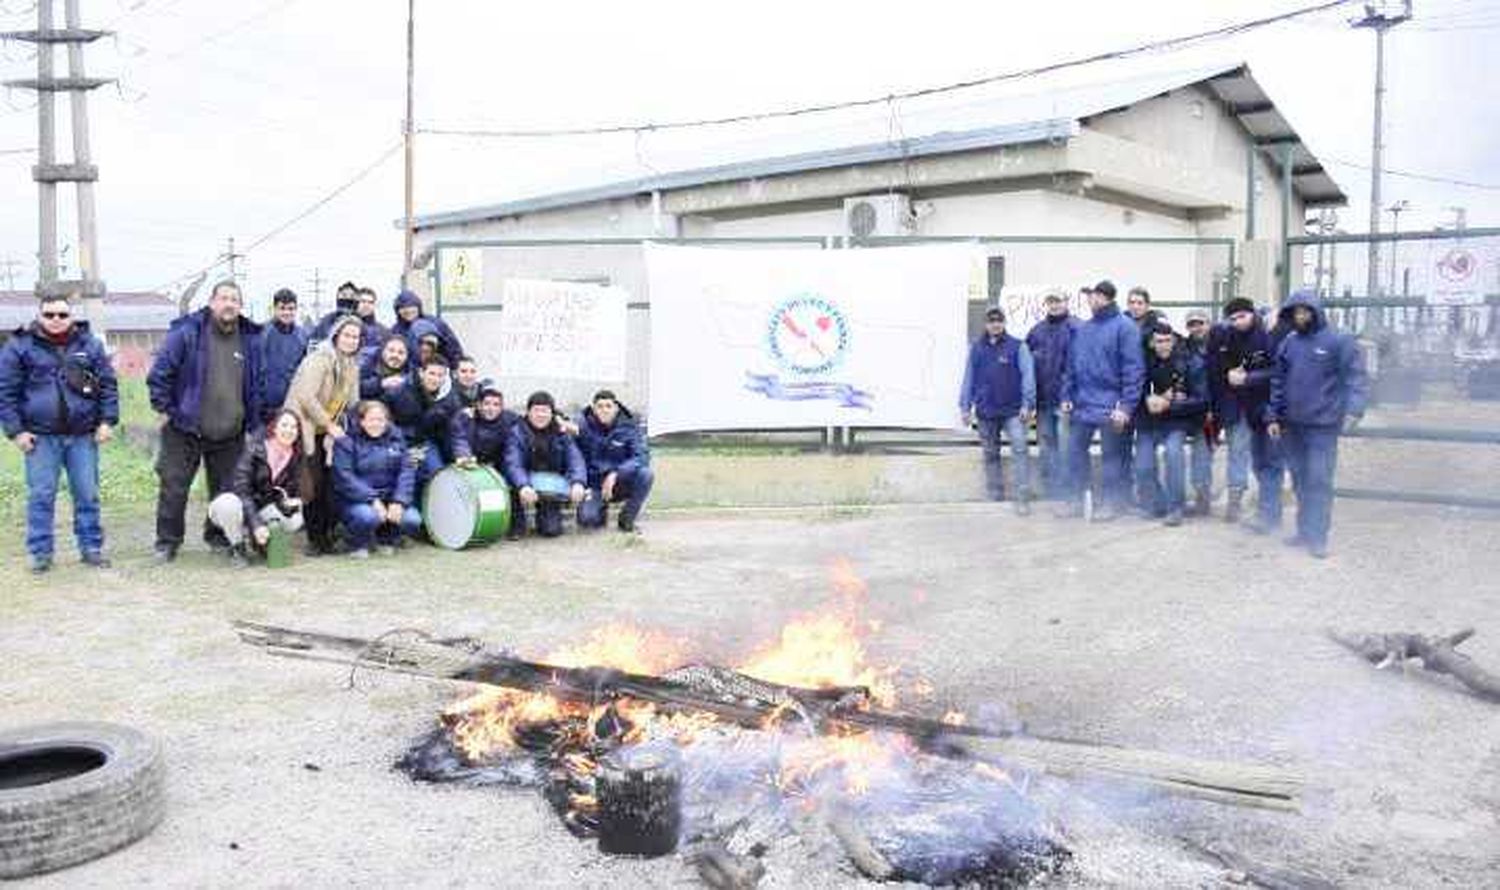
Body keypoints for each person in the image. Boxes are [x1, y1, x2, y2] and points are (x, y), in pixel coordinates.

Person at [147, 279, 265, 562]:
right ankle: (167, 543)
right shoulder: (187, 332)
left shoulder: (250, 339)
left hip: (230, 433)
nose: (229, 304)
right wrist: (166, 409)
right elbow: (160, 374)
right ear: (212, 302)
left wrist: (253, 424)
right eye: (223, 298)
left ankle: (219, 537)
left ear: (240, 306)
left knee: (226, 492)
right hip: (184, 429)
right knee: (174, 487)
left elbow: (256, 385)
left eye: (234, 300)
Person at [0, 294, 119, 573]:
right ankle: (41, 553)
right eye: (50, 314)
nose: (56, 320)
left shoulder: (89, 345)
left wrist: (107, 421)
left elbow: (109, 386)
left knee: (87, 494)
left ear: (71, 317)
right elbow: (6, 394)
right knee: (41, 495)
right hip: (40, 438)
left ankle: (91, 548)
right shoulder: (19, 346)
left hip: (83, 436)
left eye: (62, 315)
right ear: (40, 316)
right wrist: (16, 432)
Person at [1267, 289, 1368, 559]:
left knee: (1319, 480)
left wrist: (1354, 410)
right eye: (1295, 312)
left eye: (1305, 311)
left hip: (1323, 426)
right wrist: (1273, 416)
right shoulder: (1289, 342)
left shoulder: (1339, 340)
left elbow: (1355, 377)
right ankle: (1303, 531)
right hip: (1292, 425)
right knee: (1300, 479)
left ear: (1316, 311)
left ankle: (1319, 537)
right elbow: (1278, 381)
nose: (1300, 316)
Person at [1057, 280, 1144, 521]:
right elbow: (1071, 368)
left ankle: (1111, 503)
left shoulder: (1125, 328)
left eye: (1093, 295)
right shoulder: (1083, 329)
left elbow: (1134, 371)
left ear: (1105, 298)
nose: (1089, 300)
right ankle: (1074, 500)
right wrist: (1066, 396)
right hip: (1083, 404)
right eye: (1088, 296)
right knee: (1074, 452)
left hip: (1112, 406)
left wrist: (1125, 407)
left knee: (1112, 457)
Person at [283, 314, 362, 556]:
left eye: (356, 337)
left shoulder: (351, 366)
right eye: (347, 335)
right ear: (336, 335)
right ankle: (315, 540)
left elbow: (353, 403)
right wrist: (328, 425)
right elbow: (306, 397)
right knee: (312, 485)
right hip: (306, 427)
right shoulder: (319, 359)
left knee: (330, 484)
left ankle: (328, 534)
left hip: (328, 431)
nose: (351, 340)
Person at [1207, 297, 1282, 530]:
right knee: (1239, 451)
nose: (1238, 322)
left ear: (1252, 313)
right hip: (1236, 403)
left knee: (1269, 461)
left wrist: (1249, 378)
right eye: (1233, 318)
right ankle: (1236, 499)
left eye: (1243, 316)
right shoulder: (1223, 335)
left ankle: (1270, 511)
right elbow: (1215, 368)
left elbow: (1279, 371)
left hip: (1267, 405)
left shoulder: (1269, 334)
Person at [959, 307, 1036, 513]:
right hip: (986, 411)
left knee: (1020, 450)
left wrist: (1028, 404)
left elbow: (1028, 376)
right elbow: (969, 378)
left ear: (1004, 323)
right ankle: (995, 495)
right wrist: (965, 406)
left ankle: (1022, 498)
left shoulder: (1018, 346)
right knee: (990, 454)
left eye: (999, 320)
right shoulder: (976, 349)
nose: (995, 324)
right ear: (986, 324)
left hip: (1013, 411)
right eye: (991, 321)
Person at [207, 408, 305, 567]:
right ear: (274, 427)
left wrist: (288, 504)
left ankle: (259, 542)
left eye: (294, 427)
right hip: (235, 501)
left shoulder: (294, 455)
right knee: (228, 505)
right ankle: (237, 546)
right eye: (284, 425)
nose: (289, 430)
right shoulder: (254, 447)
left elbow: (281, 492)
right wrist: (257, 525)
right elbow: (242, 490)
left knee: (295, 519)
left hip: (261, 505)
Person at [1135, 322, 1208, 526]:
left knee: (1173, 455)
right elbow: (1132, 390)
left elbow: (1202, 399)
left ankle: (1176, 508)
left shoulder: (1190, 362)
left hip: (1176, 422)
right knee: (1142, 466)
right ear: (1151, 343)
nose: (1164, 345)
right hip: (1148, 423)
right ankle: (1157, 504)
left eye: (1167, 340)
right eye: (1159, 341)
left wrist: (1169, 404)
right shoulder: (1142, 363)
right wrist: (1146, 400)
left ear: (1174, 340)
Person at [331, 400, 422, 558]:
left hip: (389, 498)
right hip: (357, 501)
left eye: (381, 420)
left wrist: (399, 501)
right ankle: (355, 542)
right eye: (371, 419)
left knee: (412, 520)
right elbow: (344, 477)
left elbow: (406, 472)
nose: (376, 424)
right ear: (361, 421)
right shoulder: (347, 441)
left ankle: (386, 539)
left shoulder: (397, 439)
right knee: (367, 517)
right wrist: (372, 499)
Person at [502, 391, 587, 538]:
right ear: (528, 412)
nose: (541, 415)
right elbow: (513, 463)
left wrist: (578, 482)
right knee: (511, 484)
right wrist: (523, 485)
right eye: (536, 410)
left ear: (552, 413)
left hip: (550, 486)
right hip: (523, 485)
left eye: (545, 411)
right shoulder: (516, 432)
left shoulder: (561, 432)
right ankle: (517, 523)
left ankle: (547, 514)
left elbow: (575, 459)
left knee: (551, 530)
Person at [1026, 290, 1080, 498]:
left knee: (1067, 449)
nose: (1054, 305)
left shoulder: (1077, 328)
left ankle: (1069, 493)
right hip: (1043, 402)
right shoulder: (1036, 331)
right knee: (1047, 448)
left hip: (1068, 403)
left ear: (1066, 302)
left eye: (1058, 301)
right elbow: (1026, 365)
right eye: (1051, 301)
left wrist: (1071, 396)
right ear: (1045, 305)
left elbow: (1079, 366)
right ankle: (1053, 493)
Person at [576, 389, 655, 532]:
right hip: (594, 484)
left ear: (616, 408)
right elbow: (575, 459)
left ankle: (626, 520)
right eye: (600, 406)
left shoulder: (629, 427)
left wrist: (616, 473)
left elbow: (641, 457)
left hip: (619, 482)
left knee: (646, 475)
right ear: (593, 409)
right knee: (587, 520)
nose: (604, 410)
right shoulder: (582, 426)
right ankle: (599, 509)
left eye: (608, 406)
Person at [260, 288, 310, 423]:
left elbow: (305, 370)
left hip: (293, 406)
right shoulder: (261, 334)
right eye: (282, 308)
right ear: (274, 309)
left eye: (291, 308)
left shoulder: (303, 335)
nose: (287, 312)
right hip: (265, 408)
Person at [1183, 309, 1215, 516]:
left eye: (1200, 323)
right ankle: (1199, 495)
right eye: (1192, 324)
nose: (1196, 328)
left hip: (1214, 408)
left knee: (1204, 452)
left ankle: (1204, 497)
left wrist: (1213, 408)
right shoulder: (1184, 348)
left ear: (1208, 323)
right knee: (1199, 452)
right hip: (1192, 408)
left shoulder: (1219, 346)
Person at [451, 382, 519, 469]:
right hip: (469, 463)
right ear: (479, 405)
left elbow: (512, 449)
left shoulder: (511, 420)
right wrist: (465, 456)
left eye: (496, 405)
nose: (491, 409)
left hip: (497, 465)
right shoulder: (465, 418)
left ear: (502, 407)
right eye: (487, 404)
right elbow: (459, 440)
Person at [391, 289, 464, 367]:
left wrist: (455, 366)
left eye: (411, 306)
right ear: (397, 311)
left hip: (437, 369)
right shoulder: (396, 330)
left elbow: (452, 346)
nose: (408, 310)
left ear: (418, 307)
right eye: (402, 308)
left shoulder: (435, 323)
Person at [352, 286, 389, 354]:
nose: (366, 305)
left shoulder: (383, 331)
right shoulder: (345, 327)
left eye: (370, 302)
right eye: (363, 301)